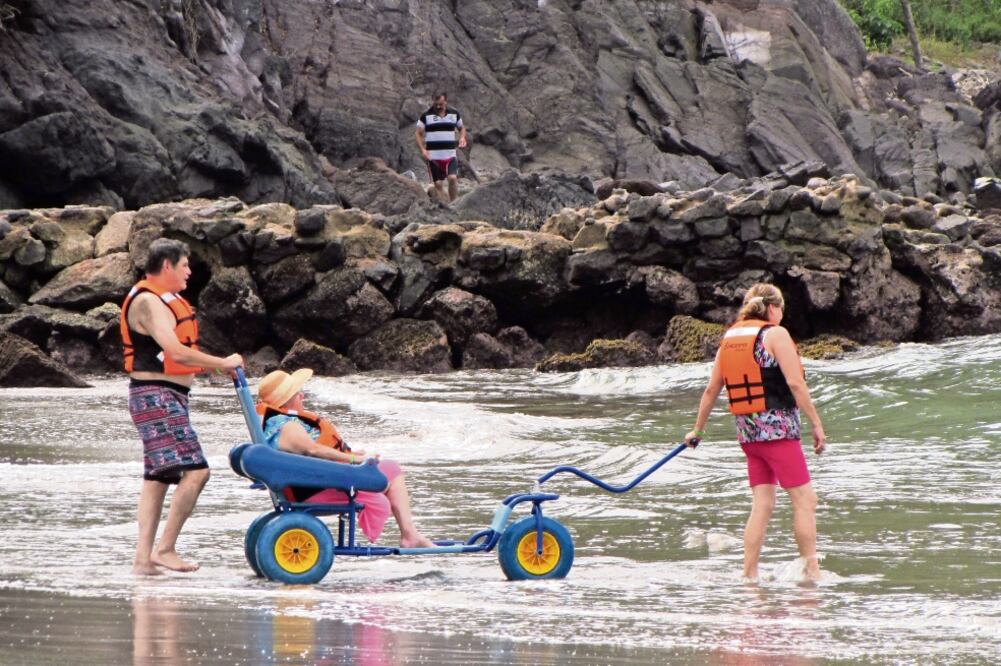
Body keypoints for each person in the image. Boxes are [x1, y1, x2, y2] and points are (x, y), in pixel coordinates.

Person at [684, 283, 827, 582]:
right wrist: (815, 422)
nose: (781, 315)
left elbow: (712, 389)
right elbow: (795, 383)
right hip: (778, 435)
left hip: (749, 437)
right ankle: (811, 573)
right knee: (806, 500)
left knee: (762, 504)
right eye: (781, 309)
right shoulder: (776, 334)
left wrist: (697, 429)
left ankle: (749, 575)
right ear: (772, 308)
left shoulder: (730, 338)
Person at [121, 238, 244, 575]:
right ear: (167, 266)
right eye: (185, 265)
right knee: (197, 472)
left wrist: (214, 366)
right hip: (156, 396)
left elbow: (177, 354)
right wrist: (223, 362)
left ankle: (143, 560)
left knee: (157, 476)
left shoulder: (162, 299)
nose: (189, 271)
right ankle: (165, 549)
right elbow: (175, 352)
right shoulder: (149, 301)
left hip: (160, 395)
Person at [256, 368, 434, 548]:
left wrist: (350, 454)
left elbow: (314, 452)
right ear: (285, 400)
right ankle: (409, 535)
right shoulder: (287, 427)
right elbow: (313, 450)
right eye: (297, 393)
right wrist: (353, 459)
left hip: (317, 480)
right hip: (312, 490)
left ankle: (410, 534)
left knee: (391, 469)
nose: (302, 396)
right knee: (379, 485)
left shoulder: (280, 422)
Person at [415, 91, 467, 203]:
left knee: (452, 178)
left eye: (441, 104)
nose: (438, 106)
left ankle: (454, 204)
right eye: (436, 104)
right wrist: (423, 149)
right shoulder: (426, 116)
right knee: (438, 184)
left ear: (446, 101)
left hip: (450, 155)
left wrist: (462, 137)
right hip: (433, 158)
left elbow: (462, 128)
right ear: (433, 101)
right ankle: (439, 197)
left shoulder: (454, 114)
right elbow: (418, 133)